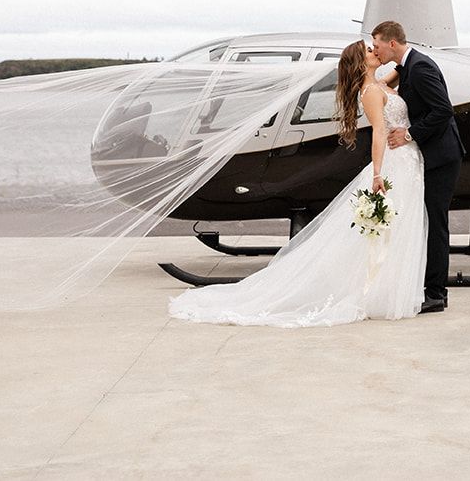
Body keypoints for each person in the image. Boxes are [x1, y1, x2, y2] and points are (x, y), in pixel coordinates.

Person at [167, 40, 426, 326]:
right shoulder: (371, 92)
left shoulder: (379, 84)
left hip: (407, 161)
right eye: (368, 51)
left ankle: (386, 288)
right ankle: (373, 290)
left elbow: (398, 74)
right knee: (386, 230)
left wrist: (402, 56)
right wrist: (378, 173)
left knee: (399, 228)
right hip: (394, 161)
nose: (374, 52)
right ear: (360, 62)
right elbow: (379, 131)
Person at [370, 20, 462, 315]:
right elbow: (390, 80)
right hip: (429, 156)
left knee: (436, 223)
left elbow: (443, 109)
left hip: (442, 156)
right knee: (427, 220)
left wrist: (409, 134)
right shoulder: (408, 65)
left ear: (392, 44)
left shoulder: (420, 68)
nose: (376, 50)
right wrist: (370, 82)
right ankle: (430, 287)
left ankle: (436, 294)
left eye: (378, 45)